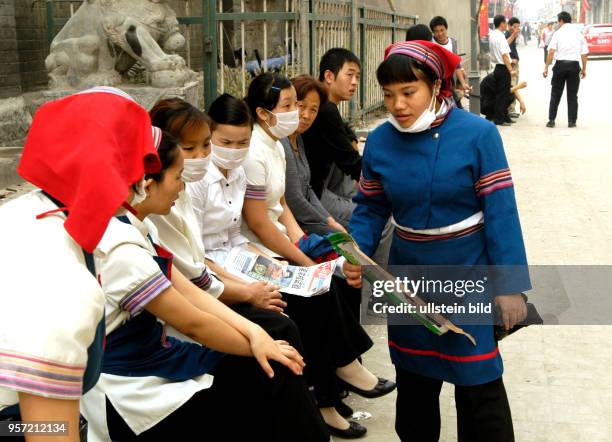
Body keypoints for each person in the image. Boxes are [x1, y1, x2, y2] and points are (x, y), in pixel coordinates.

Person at [80, 129, 329, 442]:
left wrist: (255, 335)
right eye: (178, 177)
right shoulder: (122, 248)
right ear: (146, 184)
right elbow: (193, 322)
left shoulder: (134, 227)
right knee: (270, 369)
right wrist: (258, 343)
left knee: (273, 352)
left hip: (157, 351)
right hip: (133, 384)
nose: (183, 187)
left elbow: (188, 289)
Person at [343, 40, 530, 442]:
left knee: (477, 375)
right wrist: (355, 252)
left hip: (467, 266)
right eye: (388, 95)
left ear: (436, 86)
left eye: (408, 93)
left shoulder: (478, 134)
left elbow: (501, 212)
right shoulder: (380, 141)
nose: (397, 105)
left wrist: (510, 286)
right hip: (410, 273)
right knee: (415, 378)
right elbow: (371, 207)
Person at [0, 87, 161, 442]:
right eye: (142, 165)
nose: (147, 180)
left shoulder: (21, 213)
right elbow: (48, 432)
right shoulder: (63, 283)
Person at [242, 72, 396, 438]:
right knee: (316, 292)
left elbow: (284, 207)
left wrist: (304, 248)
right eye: (290, 106)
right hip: (255, 252)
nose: (300, 114)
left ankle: (341, 378)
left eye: (301, 105)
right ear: (264, 113)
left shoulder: (277, 145)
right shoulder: (252, 152)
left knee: (335, 277)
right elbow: (260, 223)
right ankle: (331, 390)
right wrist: (302, 259)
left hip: (279, 243)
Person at [149, 97, 289, 316]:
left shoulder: (236, 172)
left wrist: (277, 268)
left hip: (226, 270)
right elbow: (196, 276)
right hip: (212, 284)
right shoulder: (174, 197)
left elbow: (234, 235)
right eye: (189, 148)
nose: (202, 155)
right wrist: (247, 291)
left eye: (206, 145)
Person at [301, 48, 362, 229]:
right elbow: (351, 162)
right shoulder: (325, 108)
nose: (354, 82)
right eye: (349, 75)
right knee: (380, 220)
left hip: (320, 184)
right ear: (329, 76)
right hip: (313, 193)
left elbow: (341, 135)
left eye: (357, 77)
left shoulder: (328, 107)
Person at [282, 75, 346, 236]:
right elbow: (294, 199)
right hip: (292, 225)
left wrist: (329, 220)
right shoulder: (283, 142)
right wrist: (327, 224)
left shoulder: (298, 139)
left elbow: (307, 189)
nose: (306, 115)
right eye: (301, 106)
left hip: (306, 220)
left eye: (313, 110)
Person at [543, 11, 589, 128]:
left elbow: (551, 51)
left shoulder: (557, 34)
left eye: (558, 21)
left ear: (561, 20)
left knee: (555, 94)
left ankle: (551, 120)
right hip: (574, 66)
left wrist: (546, 67)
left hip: (560, 66)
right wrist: (584, 69)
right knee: (573, 95)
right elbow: (584, 54)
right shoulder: (578, 34)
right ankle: (572, 122)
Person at [429, 15, 471, 107]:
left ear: (446, 29)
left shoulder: (452, 42)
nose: (439, 34)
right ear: (432, 32)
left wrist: (463, 83)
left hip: (449, 82)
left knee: (455, 105)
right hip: (435, 82)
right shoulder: (430, 42)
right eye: (436, 31)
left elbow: (456, 65)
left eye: (442, 30)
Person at [488, 15, 515, 126]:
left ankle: (505, 117)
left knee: (502, 94)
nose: (506, 25)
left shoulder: (494, 35)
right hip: (503, 68)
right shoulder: (500, 36)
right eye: (505, 23)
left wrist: (514, 35)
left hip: (498, 68)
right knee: (503, 95)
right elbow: (504, 54)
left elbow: (504, 46)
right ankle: (500, 119)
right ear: (502, 23)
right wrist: (510, 69)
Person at [505, 17, 522, 118]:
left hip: (514, 64)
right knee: (513, 86)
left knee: (514, 85)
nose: (516, 29)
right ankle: (510, 109)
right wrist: (511, 60)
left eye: (518, 27)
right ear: (509, 26)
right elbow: (504, 50)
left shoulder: (513, 35)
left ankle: (511, 108)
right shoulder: (507, 35)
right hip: (511, 65)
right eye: (514, 27)